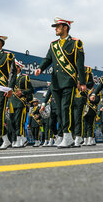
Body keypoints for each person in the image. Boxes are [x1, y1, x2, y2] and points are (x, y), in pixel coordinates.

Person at [34, 18, 85, 148]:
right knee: (60, 112)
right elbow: (47, 59)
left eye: (58, 26)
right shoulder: (53, 45)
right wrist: (40, 67)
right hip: (56, 82)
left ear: (65, 27)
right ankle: (65, 135)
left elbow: (80, 65)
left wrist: (82, 82)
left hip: (69, 80)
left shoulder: (76, 43)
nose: (55, 29)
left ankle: (68, 135)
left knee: (65, 107)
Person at [10, 60, 34, 148]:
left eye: (14, 67)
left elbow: (31, 90)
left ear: (18, 68)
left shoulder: (24, 78)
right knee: (12, 122)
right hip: (12, 103)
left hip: (20, 102)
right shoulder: (10, 78)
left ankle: (19, 139)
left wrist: (22, 92)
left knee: (19, 121)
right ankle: (22, 138)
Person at [73, 65, 94, 147]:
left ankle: (78, 137)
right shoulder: (70, 67)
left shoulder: (87, 69)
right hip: (71, 96)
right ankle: (71, 136)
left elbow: (91, 83)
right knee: (71, 118)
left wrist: (82, 84)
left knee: (78, 117)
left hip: (81, 97)